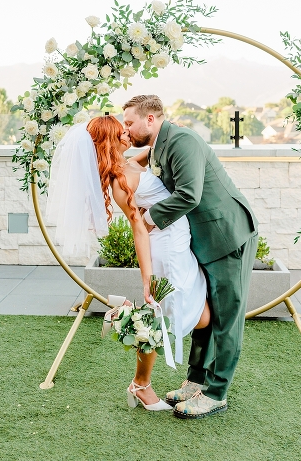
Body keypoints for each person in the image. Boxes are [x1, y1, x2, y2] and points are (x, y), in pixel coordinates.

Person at [48, 116, 210, 412]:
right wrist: (147, 279)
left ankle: (144, 380)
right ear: (109, 142)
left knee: (192, 316)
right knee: (168, 318)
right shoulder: (120, 181)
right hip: (167, 251)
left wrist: (167, 126)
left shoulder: (127, 164)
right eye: (119, 130)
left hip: (178, 243)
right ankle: (141, 384)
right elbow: (139, 229)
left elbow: (150, 152)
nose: (126, 130)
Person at [122, 94, 258, 420]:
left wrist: (148, 219)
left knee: (226, 320)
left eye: (129, 122)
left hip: (227, 237)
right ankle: (196, 380)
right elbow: (138, 161)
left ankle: (216, 393)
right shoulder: (158, 145)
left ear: (150, 119)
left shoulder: (182, 141)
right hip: (203, 243)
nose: (126, 129)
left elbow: (189, 194)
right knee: (203, 312)